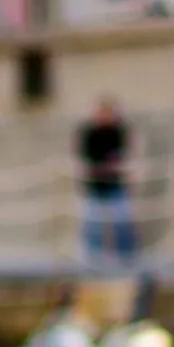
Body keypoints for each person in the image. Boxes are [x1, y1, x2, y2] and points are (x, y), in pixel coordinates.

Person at [76, 96, 136, 268]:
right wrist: (105, 167)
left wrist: (112, 167)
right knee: (93, 225)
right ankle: (93, 261)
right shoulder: (90, 133)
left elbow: (121, 157)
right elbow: (88, 160)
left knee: (122, 223)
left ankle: (127, 260)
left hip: (115, 185)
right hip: (95, 186)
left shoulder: (118, 131)